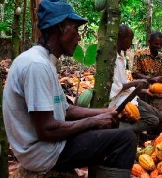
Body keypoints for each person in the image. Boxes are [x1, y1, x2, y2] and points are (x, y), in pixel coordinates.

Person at [2, 0, 137, 177]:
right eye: (76, 29)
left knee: (109, 130)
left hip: (47, 147)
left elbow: (65, 109)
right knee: (125, 140)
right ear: (60, 28)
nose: (79, 38)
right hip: (43, 153)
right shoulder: (36, 65)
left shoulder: (44, 62)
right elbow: (47, 130)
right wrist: (94, 121)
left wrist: (106, 111)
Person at [109, 24, 162, 134]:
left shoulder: (121, 58)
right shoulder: (112, 59)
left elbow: (124, 85)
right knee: (153, 121)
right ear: (122, 37)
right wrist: (136, 82)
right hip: (120, 101)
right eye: (130, 39)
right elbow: (116, 88)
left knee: (161, 117)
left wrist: (146, 91)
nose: (131, 43)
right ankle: (116, 127)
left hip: (129, 96)